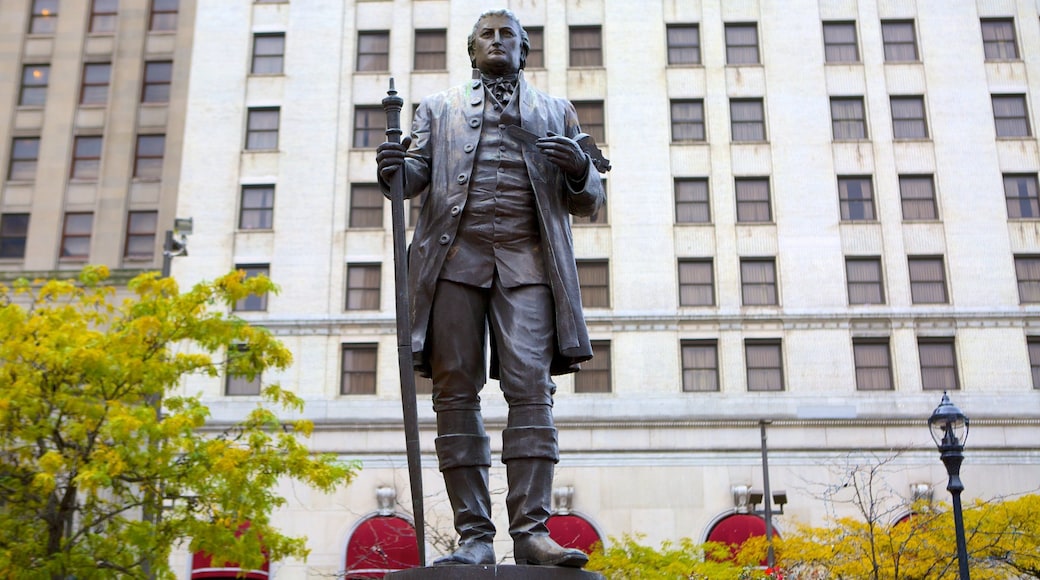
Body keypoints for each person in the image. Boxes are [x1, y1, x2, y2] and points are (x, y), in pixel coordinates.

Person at [376, 9, 605, 568]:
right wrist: (392, 170)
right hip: (454, 263)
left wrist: (578, 167)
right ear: (471, 50)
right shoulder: (437, 109)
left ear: (525, 50)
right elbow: (412, 179)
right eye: (487, 35)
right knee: (455, 394)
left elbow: (589, 199)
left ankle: (531, 532)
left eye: (510, 35)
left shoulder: (556, 110)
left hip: (528, 266)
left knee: (532, 391)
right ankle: (475, 536)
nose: (498, 42)